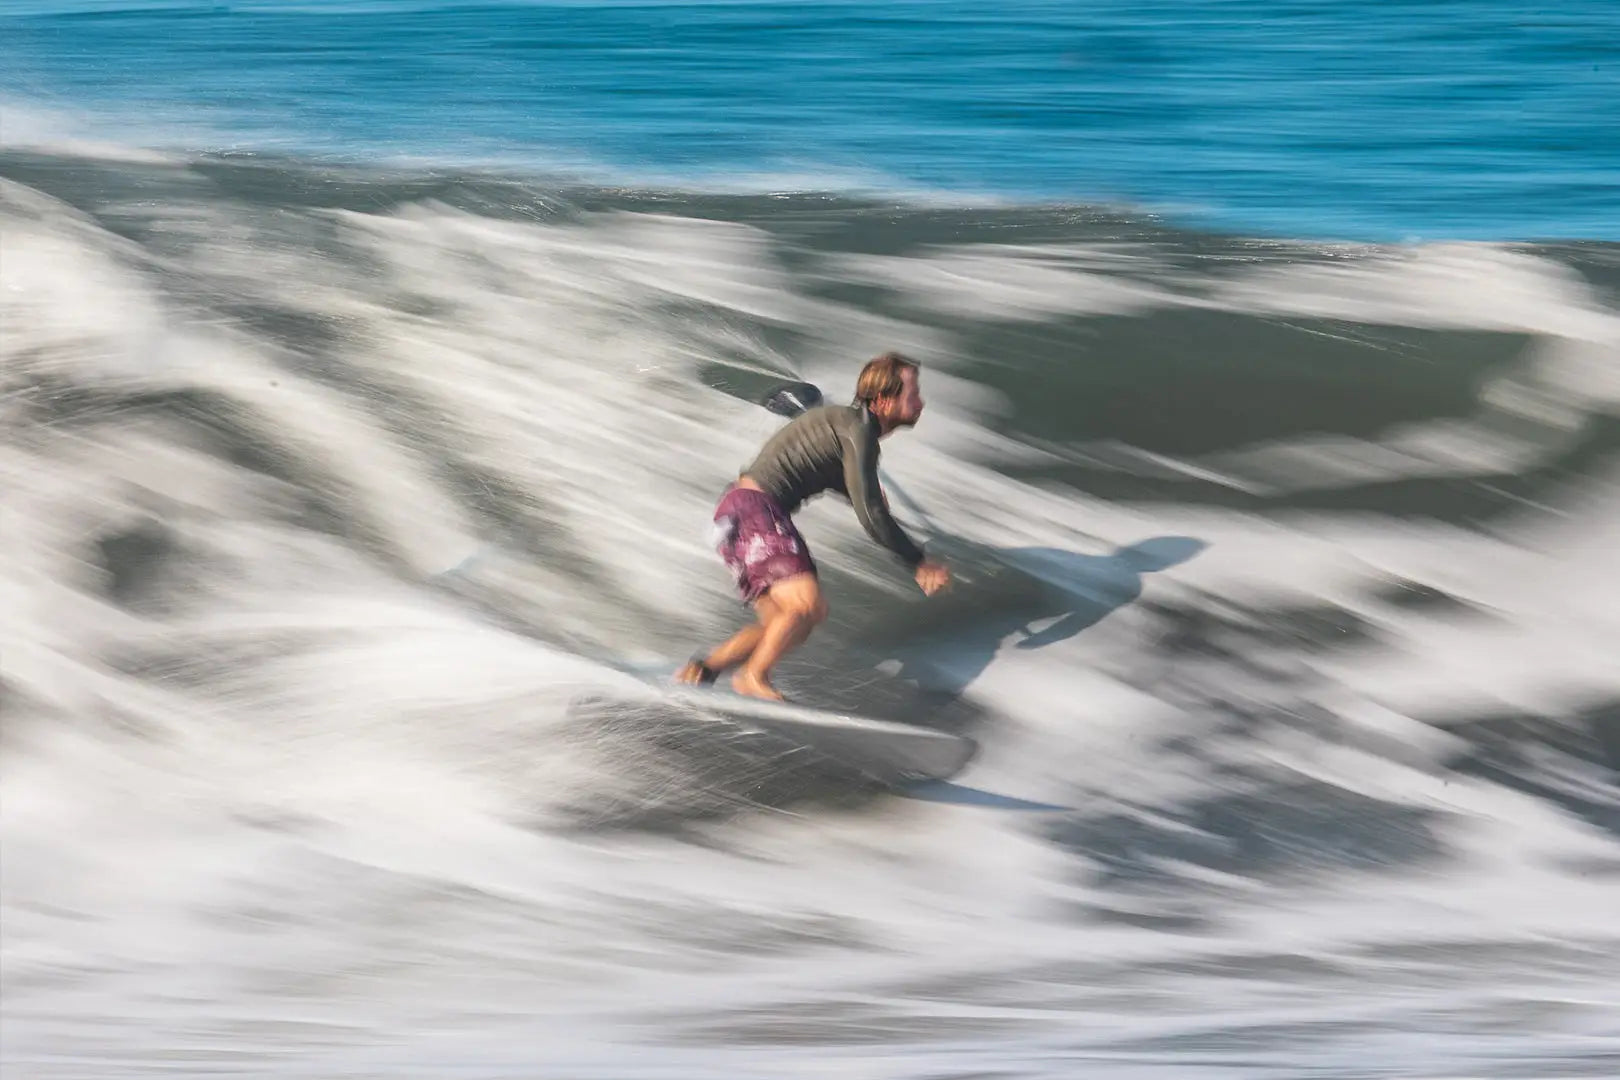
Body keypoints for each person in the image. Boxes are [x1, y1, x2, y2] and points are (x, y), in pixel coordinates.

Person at [676, 352, 951, 701]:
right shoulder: (857, 431)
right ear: (883, 400)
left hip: (733, 517)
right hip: (754, 510)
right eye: (912, 394)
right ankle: (753, 677)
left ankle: (703, 670)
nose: (920, 402)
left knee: (790, 623)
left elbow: (843, 483)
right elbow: (871, 515)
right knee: (806, 605)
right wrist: (918, 561)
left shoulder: (845, 429)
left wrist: (863, 493)